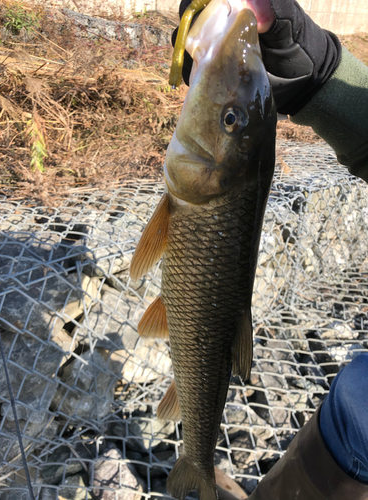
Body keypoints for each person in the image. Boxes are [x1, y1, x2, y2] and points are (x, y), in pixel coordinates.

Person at [173, 1, 368, 498]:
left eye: (230, 119)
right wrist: (319, 69)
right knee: (353, 410)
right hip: (352, 417)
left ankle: (198, 462)